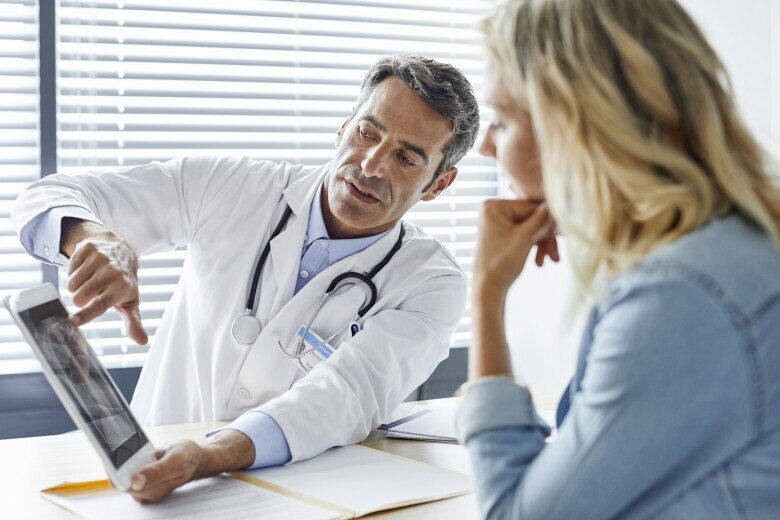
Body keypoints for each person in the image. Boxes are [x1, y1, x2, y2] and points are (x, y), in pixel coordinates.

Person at [12, 54, 480, 502]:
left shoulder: (432, 283)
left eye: (406, 158)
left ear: (438, 184)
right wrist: (95, 238)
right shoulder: (230, 187)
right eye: (366, 133)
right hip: (149, 482)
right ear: (343, 126)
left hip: (297, 498)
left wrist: (212, 455)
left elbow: (349, 394)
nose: (372, 165)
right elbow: (49, 195)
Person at [455, 0, 780, 518]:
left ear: (579, 127)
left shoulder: (685, 297)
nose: (486, 148)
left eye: (502, 119)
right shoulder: (729, 251)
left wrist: (487, 295)